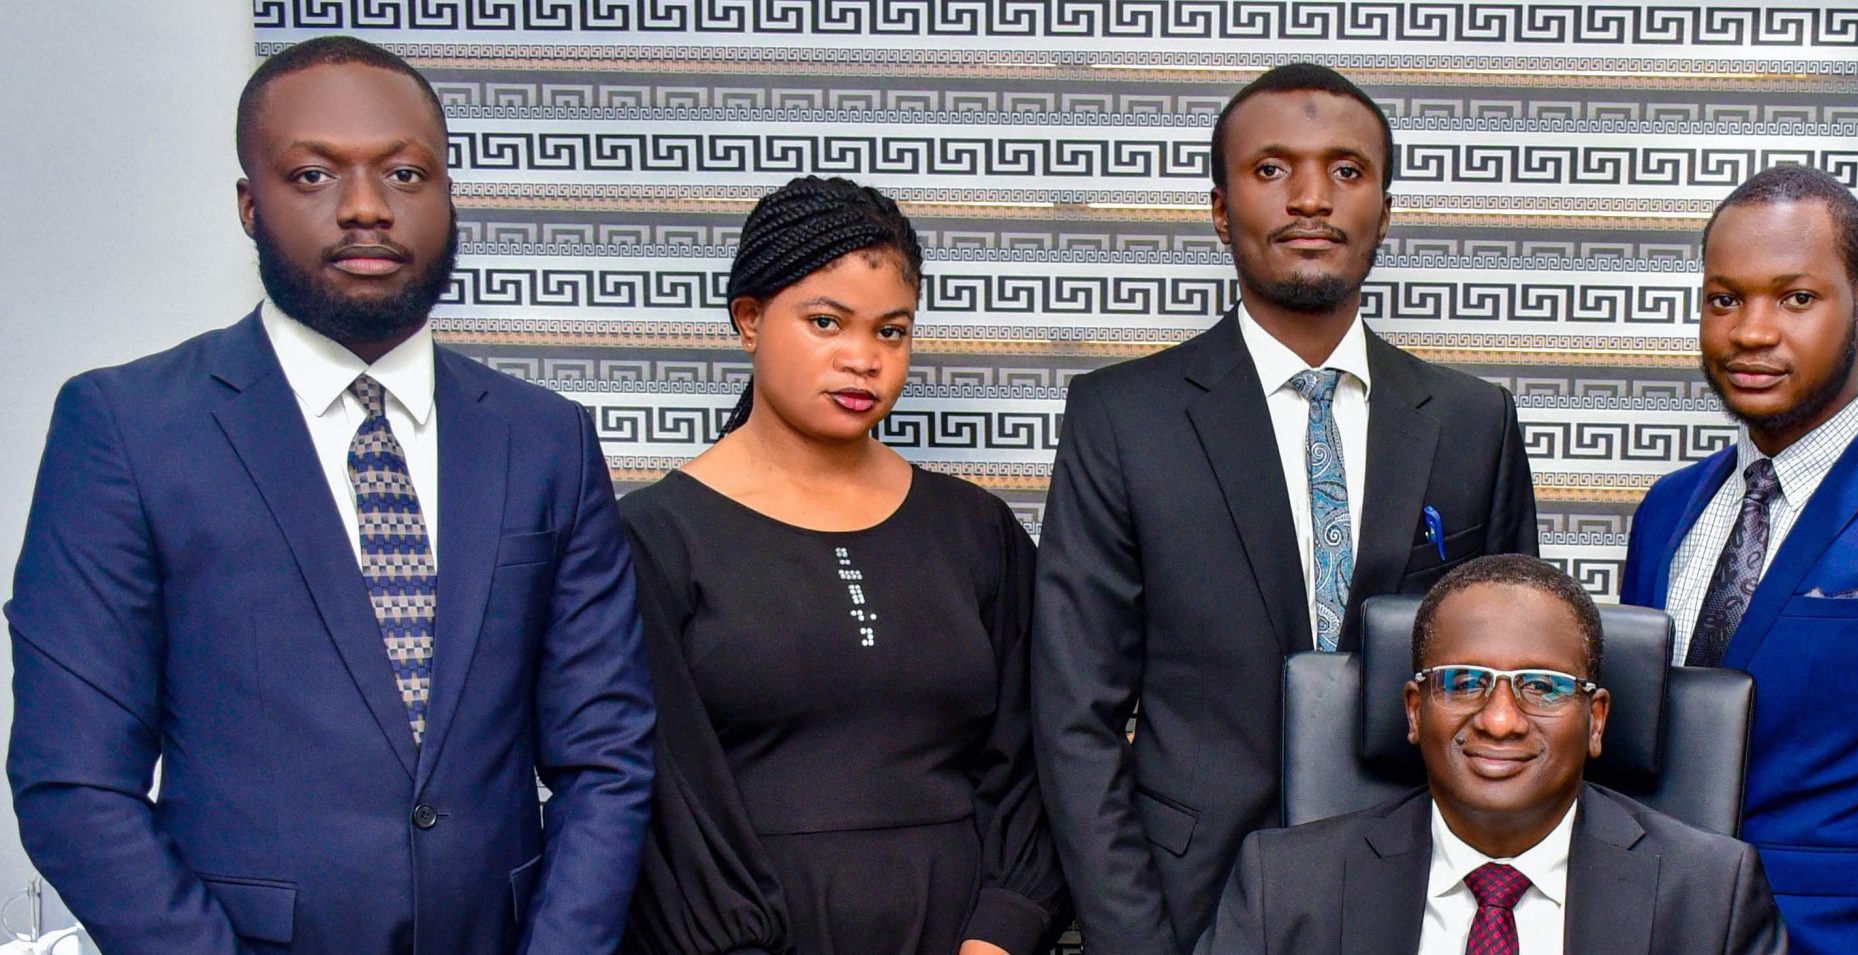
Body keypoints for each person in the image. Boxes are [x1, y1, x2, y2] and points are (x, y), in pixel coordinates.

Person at [6, 36, 656, 952]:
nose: (365, 207)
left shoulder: (546, 437)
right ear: (249, 204)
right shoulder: (125, 427)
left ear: (449, 194)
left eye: (405, 173)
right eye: (313, 174)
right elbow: (73, 780)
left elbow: (607, 753)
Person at [1033, 62, 1541, 954]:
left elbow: (1514, 691)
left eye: (1347, 170)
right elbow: (1076, 713)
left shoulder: (1474, 422)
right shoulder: (1122, 417)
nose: (1311, 197)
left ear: (1385, 208)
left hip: (1423, 897)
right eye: (1270, 168)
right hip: (1191, 898)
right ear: (1220, 207)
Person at [619, 176, 1067, 955]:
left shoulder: (976, 529)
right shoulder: (654, 538)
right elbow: (665, 803)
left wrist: (999, 935)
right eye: (826, 322)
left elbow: (1037, 755)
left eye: (892, 331)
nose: (863, 359)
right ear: (749, 318)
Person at [1621, 164, 1858, 955]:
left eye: (1796, 298)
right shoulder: (1667, 510)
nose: (1752, 330)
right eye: (1725, 299)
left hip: (1833, 935)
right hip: (1654, 922)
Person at [1194, 554, 1785, 954]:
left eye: (1543, 687)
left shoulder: (1711, 897)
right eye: (1462, 682)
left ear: (1596, 720)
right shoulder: (1284, 886)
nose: (1500, 721)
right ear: (1414, 711)